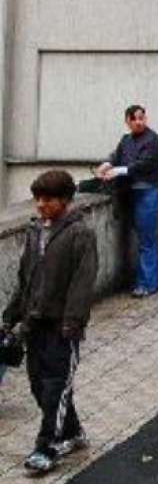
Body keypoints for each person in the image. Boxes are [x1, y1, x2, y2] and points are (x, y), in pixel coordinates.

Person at [3, 171, 98, 475]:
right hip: (34, 323)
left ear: (65, 200)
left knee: (57, 386)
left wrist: (73, 322)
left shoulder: (80, 234)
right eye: (38, 199)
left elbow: (83, 282)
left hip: (62, 326)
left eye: (48, 200)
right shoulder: (34, 231)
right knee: (39, 385)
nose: (41, 205)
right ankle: (72, 431)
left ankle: (47, 446)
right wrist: (11, 315)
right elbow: (25, 278)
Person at [95, 104, 158, 298]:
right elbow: (117, 156)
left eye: (141, 118)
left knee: (147, 239)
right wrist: (106, 165)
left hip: (149, 191)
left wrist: (118, 170)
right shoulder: (126, 140)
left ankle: (146, 283)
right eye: (134, 119)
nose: (139, 122)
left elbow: (144, 164)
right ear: (127, 121)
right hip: (134, 192)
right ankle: (156, 280)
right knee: (149, 238)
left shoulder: (152, 140)